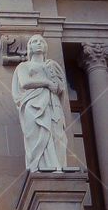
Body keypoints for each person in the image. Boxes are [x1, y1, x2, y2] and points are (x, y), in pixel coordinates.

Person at [11, 35, 69, 172]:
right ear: (29, 47)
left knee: (57, 136)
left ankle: (57, 166)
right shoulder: (23, 66)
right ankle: (38, 166)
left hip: (52, 105)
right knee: (37, 134)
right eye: (34, 42)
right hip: (33, 105)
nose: (38, 44)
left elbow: (61, 87)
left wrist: (56, 84)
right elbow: (25, 83)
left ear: (45, 47)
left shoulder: (52, 66)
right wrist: (47, 82)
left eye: (41, 42)